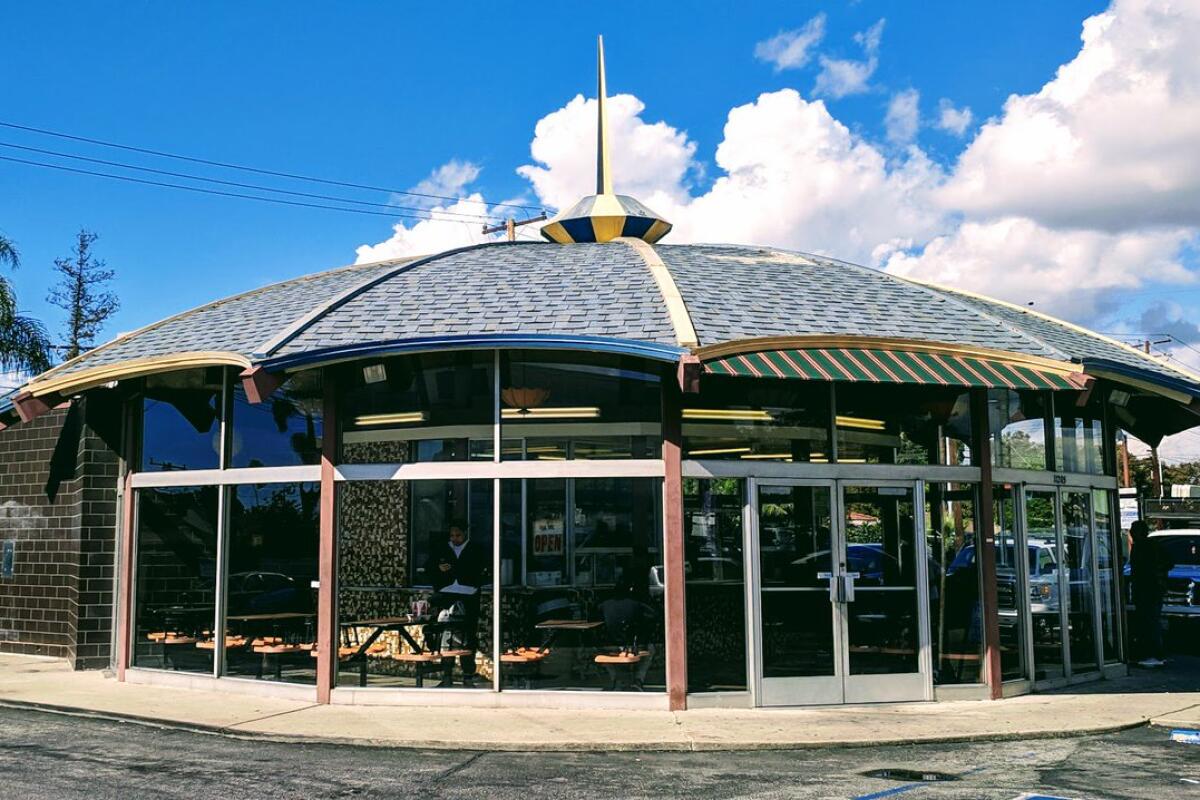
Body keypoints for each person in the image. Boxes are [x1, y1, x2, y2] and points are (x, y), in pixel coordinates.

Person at [423, 519, 486, 687]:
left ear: (465, 534)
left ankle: (467, 675)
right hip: (447, 592)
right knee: (445, 633)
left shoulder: (476, 549)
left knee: (468, 634)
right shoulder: (442, 549)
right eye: (452, 535)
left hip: (469, 593)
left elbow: (487, 568)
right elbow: (428, 567)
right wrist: (439, 570)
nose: (455, 538)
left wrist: (476, 583)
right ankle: (447, 674)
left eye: (458, 535)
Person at [1130, 520, 1167, 668]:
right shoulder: (1151, 545)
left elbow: (1139, 570)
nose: (1131, 533)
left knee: (1149, 622)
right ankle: (1153, 653)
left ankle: (1153, 654)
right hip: (1150, 589)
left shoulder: (1143, 547)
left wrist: (1154, 574)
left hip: (1147, 590)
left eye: (1134, 530)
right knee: (1150, 621)